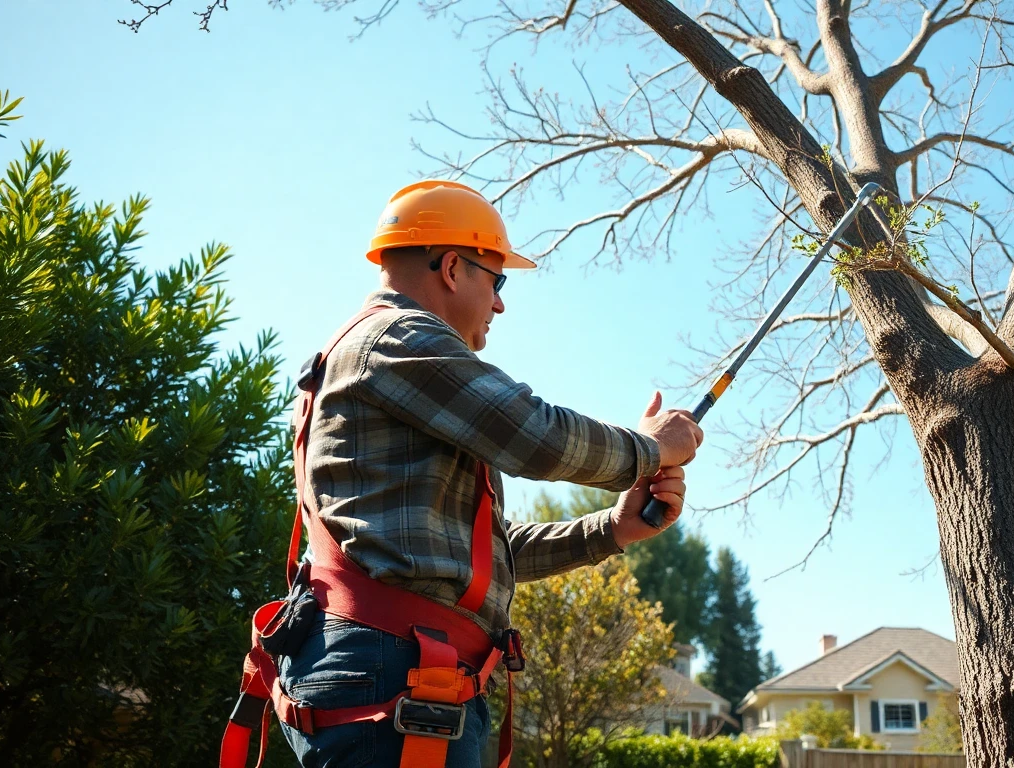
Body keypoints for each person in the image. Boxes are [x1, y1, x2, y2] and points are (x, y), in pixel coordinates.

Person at [222, 180, 703, 768]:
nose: (501, 304)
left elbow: (481, 555)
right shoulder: (397, 339)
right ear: (453, 267)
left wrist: (612, 530)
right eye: (496, 281)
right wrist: (649, 449)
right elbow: (538, 436)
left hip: (395, 672)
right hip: (394, 676)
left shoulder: (383, 356)